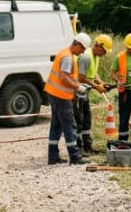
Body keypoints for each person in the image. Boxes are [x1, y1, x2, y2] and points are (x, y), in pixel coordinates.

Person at [44, 33, 91, 165]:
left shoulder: (65, 53)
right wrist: (78, 87)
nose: (82, 52)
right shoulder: (68, 58)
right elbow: (64, 77)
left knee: (56, 125)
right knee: (70, 124)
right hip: (61, 96)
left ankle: (52, 156)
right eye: (82, 48)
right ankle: (75, 156)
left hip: (54, 94)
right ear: (77, 44)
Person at [74, 33, 112, 155]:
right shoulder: (86, 57)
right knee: (79, 120)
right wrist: (96, 87)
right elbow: (81, 77)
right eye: (104, 50)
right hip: (77, 91)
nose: (105, 53)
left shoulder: (95, 57)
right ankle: (78, 147)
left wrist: (101, 83)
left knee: (87, 119)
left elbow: (93, 73)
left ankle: (87, 145)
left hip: (85, 91)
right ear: (99, 46)